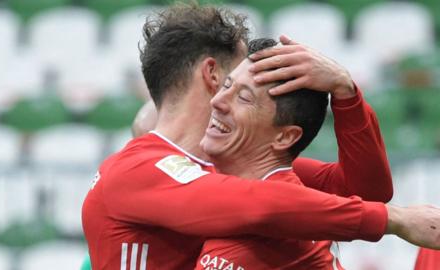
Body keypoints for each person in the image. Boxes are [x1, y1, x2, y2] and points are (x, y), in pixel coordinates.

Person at [82, 3, 440, 270]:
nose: (226, 97)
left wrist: (345, 92)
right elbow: (258, 206)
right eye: (231, 81)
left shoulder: (236, 168)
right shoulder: (135, 169)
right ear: (211, 75)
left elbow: (366, 190)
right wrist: (393, 219)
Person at [195, 37, 351, 270]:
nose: (217, 101)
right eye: (226, 86)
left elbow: (372, 189)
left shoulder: (279, 222)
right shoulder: (244, 192)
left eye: (244, 98)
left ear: (285, 137)